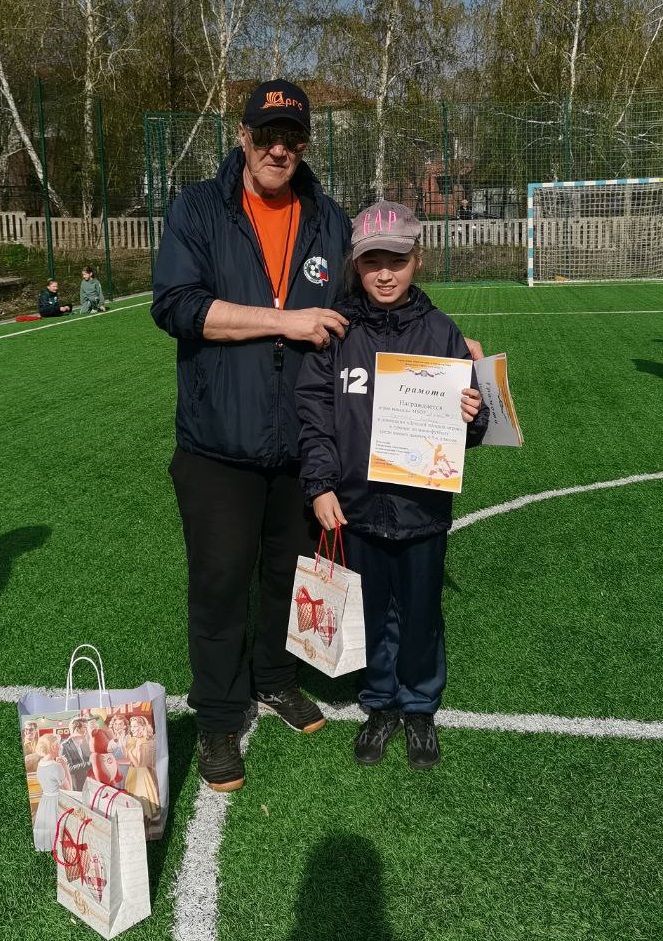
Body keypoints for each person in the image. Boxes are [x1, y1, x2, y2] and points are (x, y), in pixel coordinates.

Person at [150, 79, 353, 794]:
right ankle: (216, 715)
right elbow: (177, 307)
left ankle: (274, 676)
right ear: (241, 136)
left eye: (291, 137)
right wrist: (284, 321)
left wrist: (449, 351)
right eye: (265, 135)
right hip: (216, 446)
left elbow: (362, 315)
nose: (278, 149)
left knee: (287, 578)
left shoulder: (329, 220)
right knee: (218, 586)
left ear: (305, 144)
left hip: (302, 444)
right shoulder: (200, 209)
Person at [295, 200, 488, 770]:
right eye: (371, 261)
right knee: (371, 612)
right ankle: (380, 703)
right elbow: (314, 415)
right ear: (355, 264)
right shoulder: (336, 331)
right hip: (355, 507)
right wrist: (321, 485)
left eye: (397, 261)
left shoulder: (441, 331)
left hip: (421, 508)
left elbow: (473, 425)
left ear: (417, 260)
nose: (384, 274)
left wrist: (472, 413)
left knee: (422, 613)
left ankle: (420, 705)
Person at [33, 734, 72, 851]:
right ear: (54, 747)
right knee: (58, 829)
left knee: (47, 829)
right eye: (59, 745)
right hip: (56, 802)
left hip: (45, 801)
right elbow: (69, 790)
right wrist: (65, 767)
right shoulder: (56, 767)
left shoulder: (40, 763)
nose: (60, 747)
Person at [60, 716, 92, 790]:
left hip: (89, 784)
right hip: (77, 786)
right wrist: (90, 764)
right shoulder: (65, 746)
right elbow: (69, 768)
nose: (87, 730)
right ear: (77, 729)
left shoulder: (86, 743)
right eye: (85, 728)